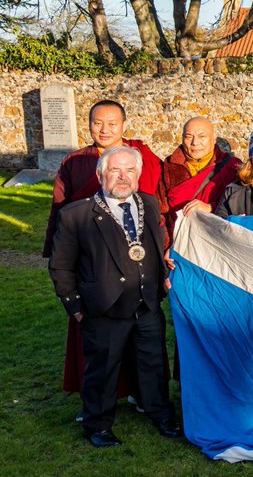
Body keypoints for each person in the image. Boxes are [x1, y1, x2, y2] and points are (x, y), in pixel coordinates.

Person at [48, 146, 180, 448]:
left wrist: (162, 266)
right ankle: (98, 425)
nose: (123, 177)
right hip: (103, 307)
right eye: (114, 170)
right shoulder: (76, 215)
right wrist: (75, 306)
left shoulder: (147, 203)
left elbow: (154, 244)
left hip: (146, 303)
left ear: (138, 175)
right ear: (100, 175)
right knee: (103, 369)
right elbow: (61, 265)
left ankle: (161, 414)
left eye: (130, 170)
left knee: (153, 364)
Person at [43, 100, 163, 406]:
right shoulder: (75, 161)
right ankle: (98, 405)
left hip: (137, 270)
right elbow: (61, 209)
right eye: (98, 123)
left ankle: (142, 395)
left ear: (124, 125)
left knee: (146, 344)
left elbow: (154, 209)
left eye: (112, 123)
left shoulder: (142, 158)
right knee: (98, 345)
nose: (105, 129)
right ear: (89, 125)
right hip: (93, 264)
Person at [156, 116, 241, 242]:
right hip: (178, 243)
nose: (194, 142)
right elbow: (160, 212)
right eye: (188, 136)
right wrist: (170, 246)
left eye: (202, 136)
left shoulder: (233, 167)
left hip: (218, 243)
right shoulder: (169, 167)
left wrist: (211, 208)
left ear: (213, 139)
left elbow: (241, 209)